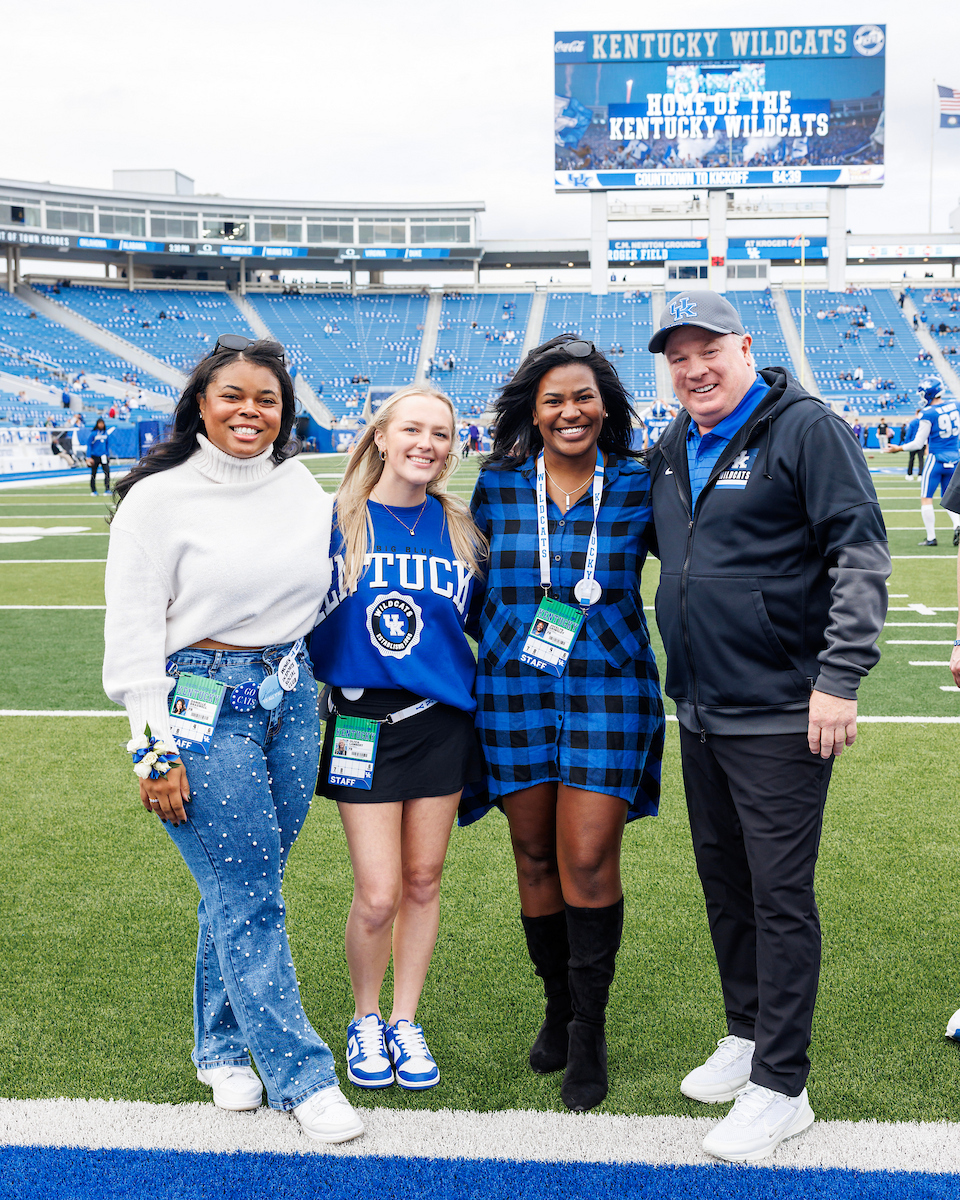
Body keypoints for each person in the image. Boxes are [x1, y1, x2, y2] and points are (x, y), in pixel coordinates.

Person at [102, 334, 364, 1144]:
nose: (250, 412)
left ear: (285, 413)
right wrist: (152, 750)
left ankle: (218, 1048)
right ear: (200, 406)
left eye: (267, 400)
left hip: (291, 698)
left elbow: (329, 591)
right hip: (201, 706)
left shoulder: (299, 485)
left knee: (243, 884)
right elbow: (133, 634)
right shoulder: (158, 500)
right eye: (233, 396)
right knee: (252, 893)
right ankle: (302, 1078)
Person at [646, 292, 889, 1163]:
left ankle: (784, 1086)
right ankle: (747, 1033)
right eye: (678, 357)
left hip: (783, 711)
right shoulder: (674, 443)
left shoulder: (806, 428)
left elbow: (859, 550)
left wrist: (839, 677)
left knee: (780, 896)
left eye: (708, 349)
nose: (694, 369)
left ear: (745, 347)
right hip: (701, 708)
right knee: (726, 883)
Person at [467, 334, 664, 1113]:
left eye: (584, 397)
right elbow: (468, 583)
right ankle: (556, 1005)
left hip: (609, 687)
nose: (570, 411)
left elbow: (697, 565)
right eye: (553, 400)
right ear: (534, 411)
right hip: (513, 684)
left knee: (585, 854)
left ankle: (589, 1029)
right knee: (533, 854)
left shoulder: (640, 484)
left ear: (606, 406)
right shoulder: (498, 484)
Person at [309, 384, 486, 1094]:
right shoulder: (334, 520)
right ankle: (365, 1017)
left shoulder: (463, 528)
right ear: (381, 436)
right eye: (412, 429)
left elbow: (487, 624)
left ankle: (405, 1020)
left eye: (440, 434)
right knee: (378, 892)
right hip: (359, 722)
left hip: (441, 722)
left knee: (422, 880)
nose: (427, 444)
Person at [886, 375, 960, 547]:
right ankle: (957, 525)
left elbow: (918, 443)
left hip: (936, 459)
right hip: (955, 459)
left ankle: (931, 537)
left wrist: (898, 448)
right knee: (950, 498)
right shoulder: (956, 405)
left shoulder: (928, 413)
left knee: (926, 498)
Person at [87, 417, 114, 495]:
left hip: (104, 456)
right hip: (95, 456)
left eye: (102, 423)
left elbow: (107, 445)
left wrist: (108, 455)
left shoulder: (106, 434)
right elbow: (89, 445)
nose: (101, 425)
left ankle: (107, 489)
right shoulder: (93, 434)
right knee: (93, 474)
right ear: (97, 424)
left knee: (107, 472)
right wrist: (88, 457)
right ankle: (93, 491)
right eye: (100, 423)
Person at [904, 408, 927, 477]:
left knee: (911, 459)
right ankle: (920, 474)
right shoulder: (925, 421)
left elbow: (909, 433)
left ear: (916, 413)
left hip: (913, 442)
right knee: (921, 459)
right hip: (922, 442)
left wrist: (906, 442)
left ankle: (909, 474)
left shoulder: (913, 422)